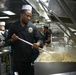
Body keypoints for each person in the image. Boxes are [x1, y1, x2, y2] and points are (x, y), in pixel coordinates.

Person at [5, 4, 43, 75]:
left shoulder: (32, 27)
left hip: (29, 60)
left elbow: (40, 39)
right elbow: (7, 41)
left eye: (30, 16)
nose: (29, 18)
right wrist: (12, 40)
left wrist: (38, 44)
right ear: (21, 14)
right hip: (17, 61)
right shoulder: (13, 26)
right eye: (27, 15)